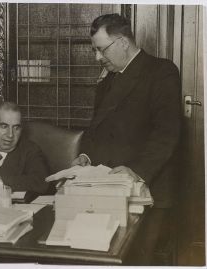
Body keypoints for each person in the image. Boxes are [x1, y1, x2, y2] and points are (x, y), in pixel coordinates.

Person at [72, 14, 181, 264]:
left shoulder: (161, 71)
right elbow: (96, 128)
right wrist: (86, 156)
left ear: (122, 42)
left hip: (149, 191)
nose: (98, 57)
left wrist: (137, 171)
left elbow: (167, 134)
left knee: (135, 260)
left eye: (101, 50)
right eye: (95, 51)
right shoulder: (109, 78)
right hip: (111, 190)